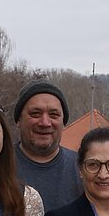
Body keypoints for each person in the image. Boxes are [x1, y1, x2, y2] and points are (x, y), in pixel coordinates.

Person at [12, 81, 82, 209]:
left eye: (54, 115)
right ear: (18, 120)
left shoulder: (83, 169)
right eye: (35, 114)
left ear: (63, 122)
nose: (45, 123)